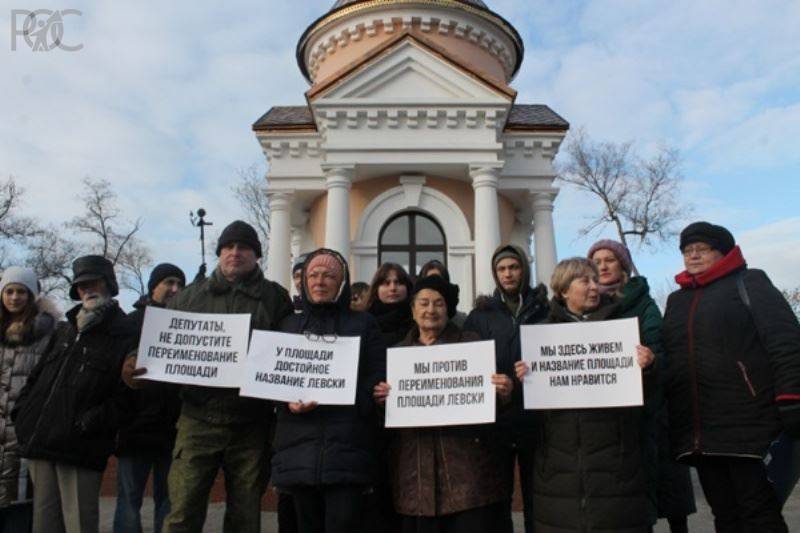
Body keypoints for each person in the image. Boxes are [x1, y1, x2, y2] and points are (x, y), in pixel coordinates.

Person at [123, 220, 293, 533]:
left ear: (256, 255)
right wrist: (135, 363)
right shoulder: (189, 297)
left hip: (251, 423)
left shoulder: (274, 298)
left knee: (245, 516)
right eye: (228, 247)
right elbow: (159, 340)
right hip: (196, 419)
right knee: (182, 512)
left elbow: (290, 352)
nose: (235, 253)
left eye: (244, 248)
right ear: (219, 253)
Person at [662, 222, 800, 532]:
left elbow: (786, 342)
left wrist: (791, 398)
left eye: (702, 249)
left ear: (723, 252)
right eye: (687, 250)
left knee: (759, 513)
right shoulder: (676, 301)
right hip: (700, 432)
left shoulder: (750, 283)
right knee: (724, 515)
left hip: (750, 427)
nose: (693, 255)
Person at [515, 257, 656, 533]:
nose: (594, 286)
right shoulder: (541, 337)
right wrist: (525, 381)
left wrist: (649, 368)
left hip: (615, 471)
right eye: (585, 281)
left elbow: (648, 401)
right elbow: (532, 417)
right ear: (564, 290)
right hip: (558, 473)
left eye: (595, 280)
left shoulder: (623, 329)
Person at [373, 275, 513, 533]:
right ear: (413, 310)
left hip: (469, 480)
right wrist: (382, 401)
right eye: (424, 303)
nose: (431, 310)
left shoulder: (472, 345)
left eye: (438, 303)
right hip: (414, 481)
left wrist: (503, 392)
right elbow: (384, 420)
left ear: (448, 309)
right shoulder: (396, 355)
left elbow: (490, 406)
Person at [13, 255, 137, 533]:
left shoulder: (126, 333)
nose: (88, 289)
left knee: (79, 524)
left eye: (94, 282)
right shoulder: (65, 330)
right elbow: (37, 377)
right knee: (44, 524)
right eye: (82, 285)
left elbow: (129, 397)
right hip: (41, 444)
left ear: (109, 285)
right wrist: (23, 414)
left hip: (80, 448)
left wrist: (90, 423)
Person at [271, 248, 386, 533]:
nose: (319, 281)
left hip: (348, 448)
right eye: (313, 275)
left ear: (341, 283)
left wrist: (358, 399)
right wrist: (288, 403)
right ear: (304, 282)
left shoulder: (363, 324)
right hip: (298, 448)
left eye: (328, 276)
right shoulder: (288, 327)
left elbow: (377, 371)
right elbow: (272, 379)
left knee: (344, 524)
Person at [588, 240, 696, 532]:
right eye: (597, 261)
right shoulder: (590, 306)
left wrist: (651, 360)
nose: (603, 266)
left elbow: (659, 346)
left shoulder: (644, 303)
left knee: (667, 489)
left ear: (622, 265)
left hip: (650, 407)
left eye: (609, 259)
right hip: (612, 414)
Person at [462, 245, 549, 533]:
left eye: (514, 267)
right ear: (495, 273)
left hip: (537, 421)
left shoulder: (545, 310)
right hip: (497, 421)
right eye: (502, 269)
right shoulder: (481, 314)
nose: (508, 274)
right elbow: (470, 366)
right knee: (498, 502)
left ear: (524, 269)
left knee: (538, 498)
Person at [114, 263, 185, 533]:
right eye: (169, 282)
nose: (175, 289)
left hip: (173, 431)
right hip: (135, 429)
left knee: (168, 503)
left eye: (180, 284)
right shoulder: (131, 323)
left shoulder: (188, 327)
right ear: (153, 287)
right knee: (129, 503)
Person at [0, 267, 58, 533]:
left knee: (21, 511)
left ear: (32, 295)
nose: (14, 297)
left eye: (21, 291)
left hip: (25, 436)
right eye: (9, 291)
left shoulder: (49, 334)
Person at [367, 263, 414, 349]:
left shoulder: (418, 320)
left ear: (407, 287)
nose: (393, 288)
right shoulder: (364, 322)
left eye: (398, 282)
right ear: (376, 288)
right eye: (386, 283)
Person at [417, 260, 467, 327]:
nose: (434, 284)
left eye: (438, 280)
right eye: (430, 280)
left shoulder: (461, 320)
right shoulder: (415, 320)